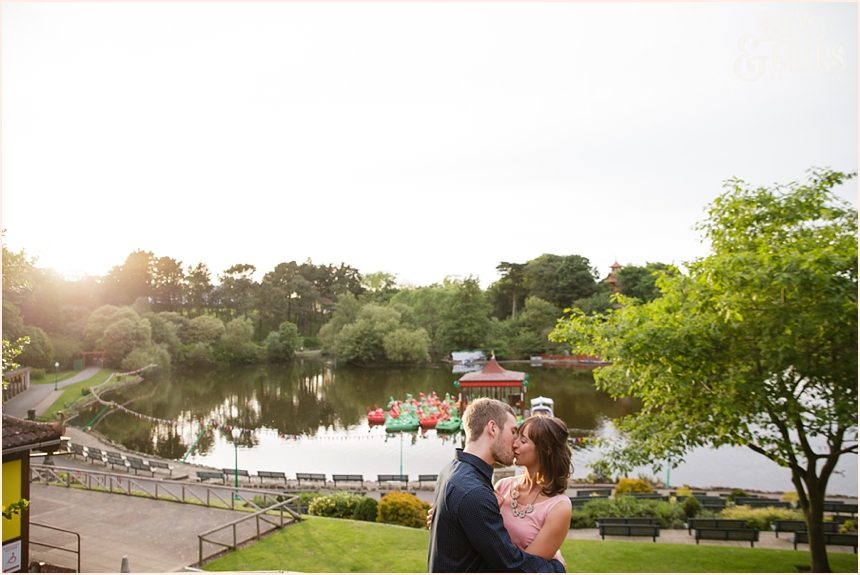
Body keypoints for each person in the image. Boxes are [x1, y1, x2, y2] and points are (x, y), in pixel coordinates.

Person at [427, 398, 565, 573]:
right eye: (514, 431)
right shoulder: (474, 492)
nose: (515, 442)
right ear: (492, 428)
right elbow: (511, 565)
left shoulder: (450, 470)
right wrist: (556, 567)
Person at [495, 415, 573, 565]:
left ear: (547, 450)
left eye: (523, 441)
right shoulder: (502, 486)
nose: (514, 444)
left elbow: (526, 567)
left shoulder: (558, 507)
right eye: (516, 437)